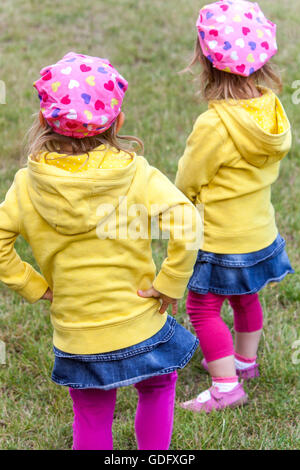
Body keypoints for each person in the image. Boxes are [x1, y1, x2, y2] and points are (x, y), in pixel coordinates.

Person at [0, 52, 202, 449]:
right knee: (158, 385)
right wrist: (171, 281)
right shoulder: (138, 173)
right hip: (142, 322)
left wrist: (31, 284)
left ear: (43, 121)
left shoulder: (26, 185)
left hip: (78, 334)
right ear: (119, 121)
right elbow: (187, 221)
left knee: (92, 411)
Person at [175, 0, 293, 413]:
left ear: (205, 63)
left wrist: (180, 203)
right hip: (260, 233)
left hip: (221, 239)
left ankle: (226, 387)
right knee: (246, 297)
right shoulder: (272, 110)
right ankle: (244, 362)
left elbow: (190, 177)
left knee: (203, 305)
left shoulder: (215, 124)